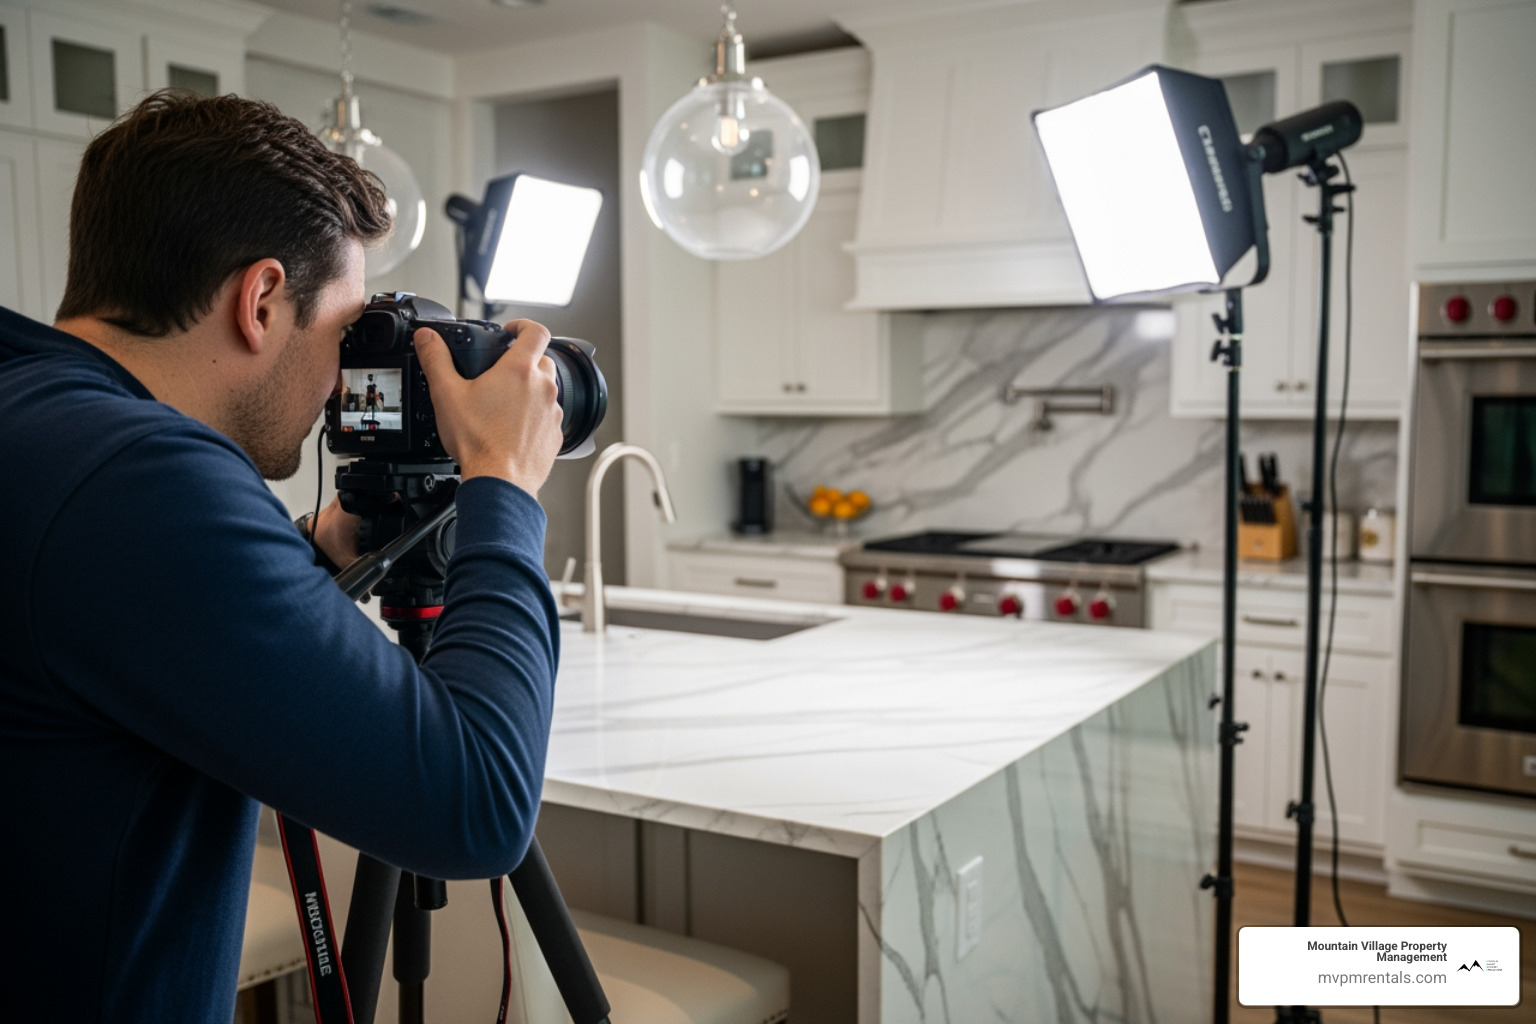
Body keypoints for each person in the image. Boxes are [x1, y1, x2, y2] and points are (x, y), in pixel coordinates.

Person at [0, 91, 566, 1022]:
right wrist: (502, 482)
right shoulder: (140, 477)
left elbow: (120, 617)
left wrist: (313, 546)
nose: (346, 382)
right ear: (260, 299)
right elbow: (477, 804)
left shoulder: (37, 415)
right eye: (344, 334)